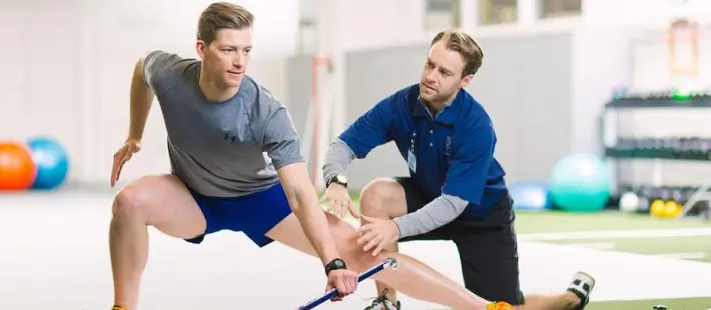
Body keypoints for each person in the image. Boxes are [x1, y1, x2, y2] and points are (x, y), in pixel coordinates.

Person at [106, 3, 582, 310]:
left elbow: (296, 191)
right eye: (229, 50)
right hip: (193, 195)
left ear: (465, 80)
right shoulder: (168, 72)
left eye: (247, 51)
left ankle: (511, 308)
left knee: (370, 253)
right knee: (130, 202)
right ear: (201, 49)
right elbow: (140, 69)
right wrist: (134, 134)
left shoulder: (266, 110)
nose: (239, 61)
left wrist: (334, 262)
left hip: (471, 211)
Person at [321, 29, 596, 310]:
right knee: (376, 195)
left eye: (444, 72)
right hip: (430, 195)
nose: (430, 76)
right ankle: (386, 303)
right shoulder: (401, 104)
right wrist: (336, 180)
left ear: (465, 80)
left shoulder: (477, 125)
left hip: (481, 215)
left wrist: (395, 227)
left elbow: (453, 204)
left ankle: (569, 300)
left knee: (502, 307)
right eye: (429, 64)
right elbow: (343, 144)